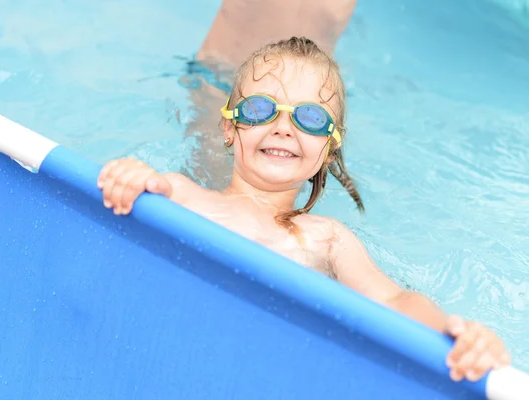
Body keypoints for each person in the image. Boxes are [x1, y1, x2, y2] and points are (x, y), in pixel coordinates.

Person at [98, 37, 511, 382]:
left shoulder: (326, 238)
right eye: (260, 109)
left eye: (311, 118)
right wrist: (130, 176)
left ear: (330, 150)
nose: (283, 126)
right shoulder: (181, 194)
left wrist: (451, 336)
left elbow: (396, 300)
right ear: (228, 127)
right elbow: (138, 193)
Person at [177, 0, 359, 190]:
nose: (283, 129)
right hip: (219, 79)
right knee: (206, 177)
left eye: (314, 118)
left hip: (308, 93)